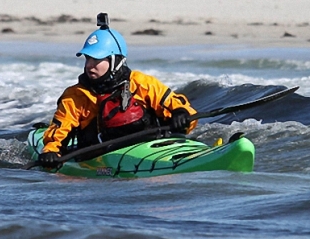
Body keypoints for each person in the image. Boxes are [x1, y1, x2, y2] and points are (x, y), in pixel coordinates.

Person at [38, 13, 197, 169]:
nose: (89, 65)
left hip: (151, 151)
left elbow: (179, 106)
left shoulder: (141, 83)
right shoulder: (75, 96)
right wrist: (51, 152)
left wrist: (182, 115)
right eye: (87, 58)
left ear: (115, 61)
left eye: (96, 59)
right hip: (99, 161)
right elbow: (58, 134)